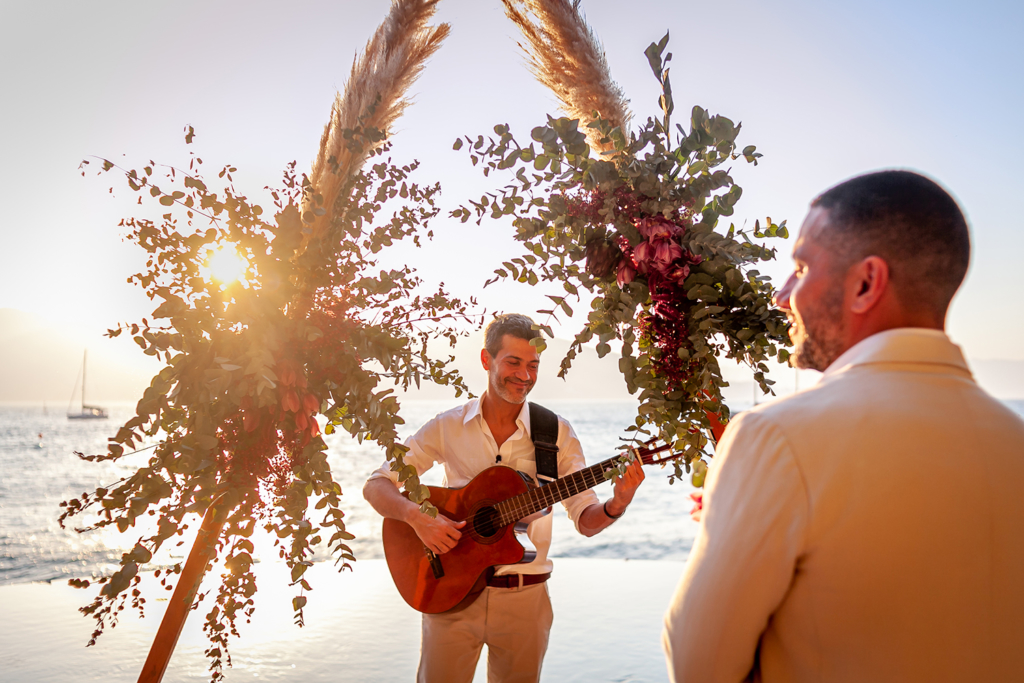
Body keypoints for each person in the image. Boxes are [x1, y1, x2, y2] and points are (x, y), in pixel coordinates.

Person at [663, 170, 1024, 682]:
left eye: (802, 268)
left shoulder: (776, 439)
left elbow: (700, 668)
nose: (783, 295)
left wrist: (732, 525)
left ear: (865, 283)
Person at [364, 313, 646, 683]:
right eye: (513, 362)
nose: (525, 376)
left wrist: (617, 503)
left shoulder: (555, 433)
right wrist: (418, 518)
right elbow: (377, 484)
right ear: (486, 360)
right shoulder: (448, 426)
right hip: (449, 593)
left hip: (525, 602)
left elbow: (584, 519)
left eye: (533, 365)